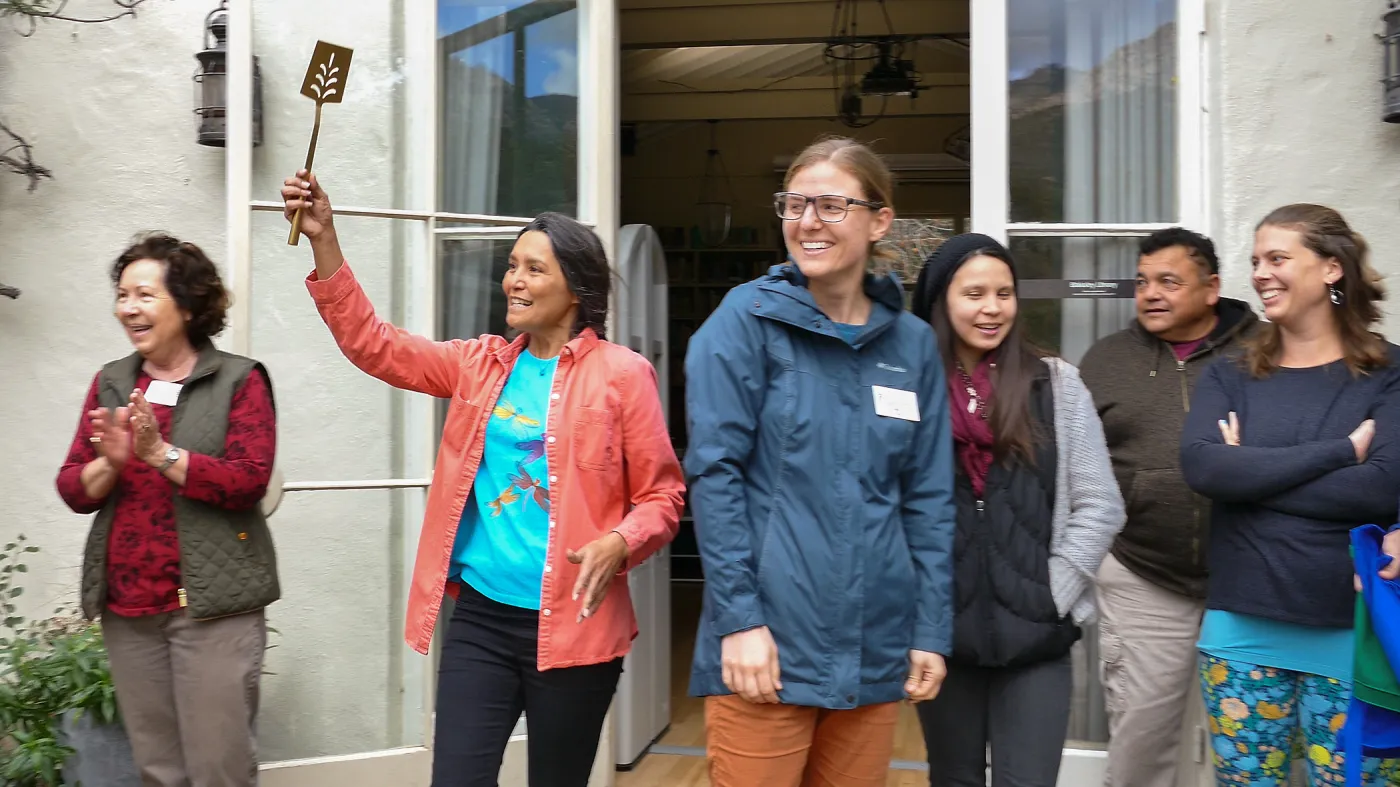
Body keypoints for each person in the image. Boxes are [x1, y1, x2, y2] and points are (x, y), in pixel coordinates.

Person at [280, 169, 685, 787]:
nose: (514, 280)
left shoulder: (623, 375)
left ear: (575, 288)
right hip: (483, 619)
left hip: (575, 625)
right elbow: (374, 344)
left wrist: (622, 541)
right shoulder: (479, 365)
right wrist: (324, 238)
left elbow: (662, 496)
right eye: (512, 264)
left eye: (534, 269)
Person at [683, 137, 957, 787]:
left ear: (879, 219)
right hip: (767, 648)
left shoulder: (911, 344)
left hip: (875, 646)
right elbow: (714, 478)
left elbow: (929, 500)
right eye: (795, 203)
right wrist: (740, 621)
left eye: (831, 204)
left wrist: (930, 628)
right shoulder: (743, 322)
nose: (808, 221)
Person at [1180, 203, 1400, 784]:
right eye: (1255, 261)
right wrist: (1341, 452)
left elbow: (1380, 487)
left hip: (1354, 636)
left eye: (1278, 258)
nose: (1260, 273)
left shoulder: (1388, 373)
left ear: (1332, 268)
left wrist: (1251, 473)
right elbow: (1204, 470)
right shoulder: (1230, 373)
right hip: (1241, 633)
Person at [55, 233, 279, 787]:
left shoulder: (239, 379)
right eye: (123, 295)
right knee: (157, 771)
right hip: (129, 609)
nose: (128, 308)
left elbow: (248, 481)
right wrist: (111, 463)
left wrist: (161, 454)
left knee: (218, 770)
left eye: (145, 295)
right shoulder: (111, 381)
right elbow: (73, 488)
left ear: (186, 304)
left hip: (212, 611)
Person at [908, 233, 1126, 787]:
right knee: (952, 778)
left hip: (1036, 636)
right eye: (974, 293)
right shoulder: (910, 388)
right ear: (941, 300)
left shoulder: (1055, 383)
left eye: (1004, 293)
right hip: (943, 634)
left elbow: (1101, 503)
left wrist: (1053, 590)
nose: (992, 308)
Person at [1078, 227, 1258, 787]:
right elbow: (1075, 467)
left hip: (1253, 577)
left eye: (1168, 282)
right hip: (1144, 574)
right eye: (1142, 282)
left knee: (1251, 744)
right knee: (1142, 745)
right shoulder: (1107, 361)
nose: (1150, 293)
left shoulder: (1266, 352)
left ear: (1211, 288)